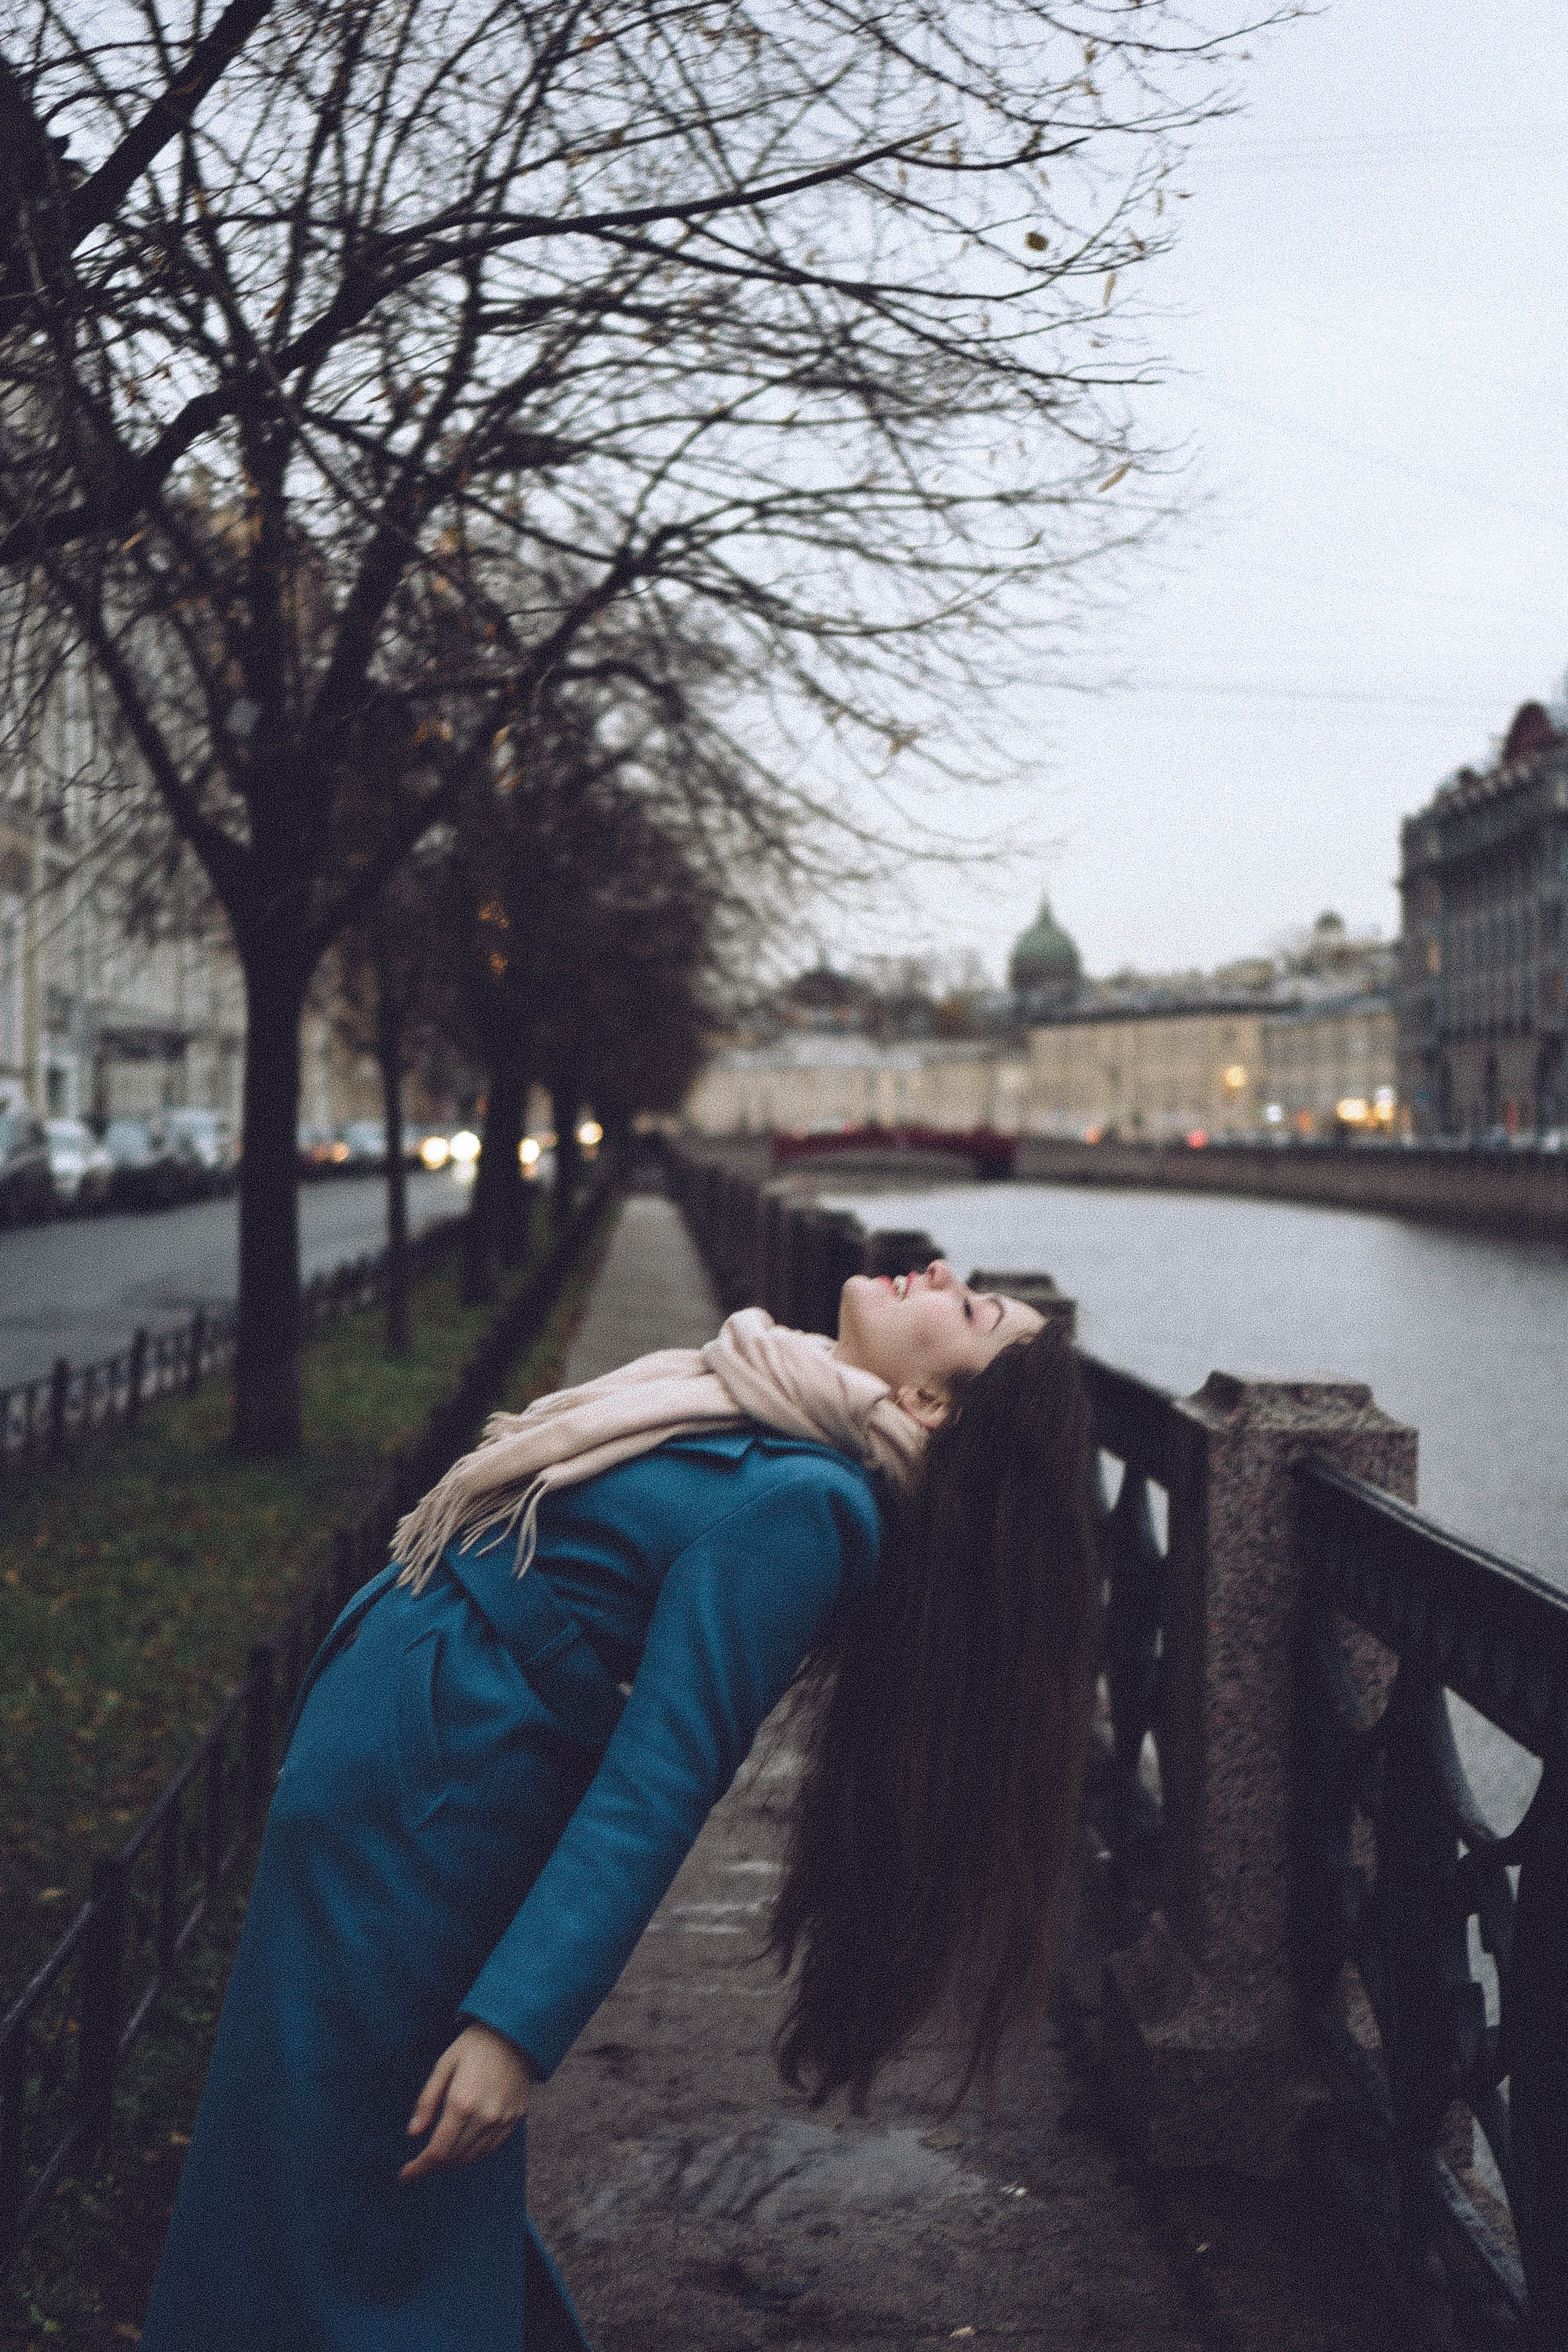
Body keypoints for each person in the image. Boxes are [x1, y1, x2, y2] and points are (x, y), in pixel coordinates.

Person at [140, 1259, 1099, 2351]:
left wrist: (517, 2030)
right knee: (332, 2178)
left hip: (433, 1834)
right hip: (401, 1803)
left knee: (336, 2192)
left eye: (968, 1310)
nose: (940, 1272)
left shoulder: (805, 1505)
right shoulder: (766, 1407)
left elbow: (663, 1779)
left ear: (930, 1404)